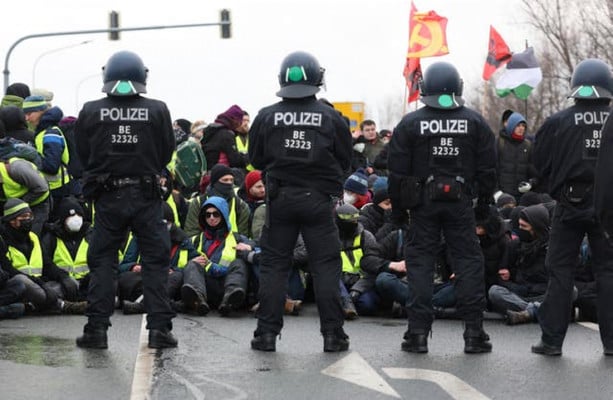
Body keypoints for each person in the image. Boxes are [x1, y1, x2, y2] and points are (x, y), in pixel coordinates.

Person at [387, 61, 497, 354]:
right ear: (458, 87)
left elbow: (396, 173)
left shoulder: (411, 124)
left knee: (421, 264)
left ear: (426, 88)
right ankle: (474, 333)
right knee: (468, 262)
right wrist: (484, 204)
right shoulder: (475, 122)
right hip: (461, 203)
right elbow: (489, 168)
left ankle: (418, 333)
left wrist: (398, 211)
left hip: (422, 204)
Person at [248, 50, 353, 352]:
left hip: (280, 200)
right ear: (317, 78)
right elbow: (345, 159)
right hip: (319, 202)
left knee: (274, 267)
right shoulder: (332, 117)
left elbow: (255, 158)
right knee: (325, 268)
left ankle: (265, 335)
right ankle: (333, 335)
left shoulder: (267, 116)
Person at [74, 50, 177, 349]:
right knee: (156, 262)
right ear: (141, 76)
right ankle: (159, 330)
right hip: (146, 196)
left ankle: (96, 330)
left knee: (103, 261)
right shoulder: (157, 110)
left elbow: (82, 153)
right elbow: (166, 152)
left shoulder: (91, 110)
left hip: (108, 197)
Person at [533, 58, 613, 356]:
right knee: (608, 272)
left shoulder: (558, 122)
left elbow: (539, 165)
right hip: (609, 206)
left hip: (569, 203)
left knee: (560, 272)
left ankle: (552, 341)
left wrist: (556, 188)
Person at [181, 196, 253, 316]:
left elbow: (256, 247)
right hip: (203, 286)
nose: (212, 218)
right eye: (207, 215)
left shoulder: (237, 239)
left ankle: (230, 301)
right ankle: (197, 301)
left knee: (239, 263)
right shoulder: (195, 240)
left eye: (216, 214)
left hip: (228, 285)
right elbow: (178, 263)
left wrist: (249, 247)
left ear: (224, 215)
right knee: (193, 263)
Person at [488, 204, 549, 325]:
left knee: (570, 291)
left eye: (524, 226)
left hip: (545, 294)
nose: (520, 229)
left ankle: (530, 312)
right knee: (494, 291)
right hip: (519, 296)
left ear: (536, 227)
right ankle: (536, 311)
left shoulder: (552, 247)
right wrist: (511, 278)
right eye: (519, 225)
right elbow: (502, 276)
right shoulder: (515, 245)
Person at [22, 95, 74, 216]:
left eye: (29, 113)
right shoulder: (44, 131)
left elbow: (52, 166)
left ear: (40, 111)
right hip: (51, 189)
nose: (27, 118)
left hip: (56, 191)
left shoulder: (50, 133)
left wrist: (31, 155)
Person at [495, 111, 538, 201]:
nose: (521, 128)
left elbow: (535, 172)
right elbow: (492, 170)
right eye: (518, 125)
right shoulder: (499, 143)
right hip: (503, 196)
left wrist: (530, 183)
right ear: (511, 126)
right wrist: (496, 191)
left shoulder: (528, 145)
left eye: (523, 126)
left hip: (522, 196)